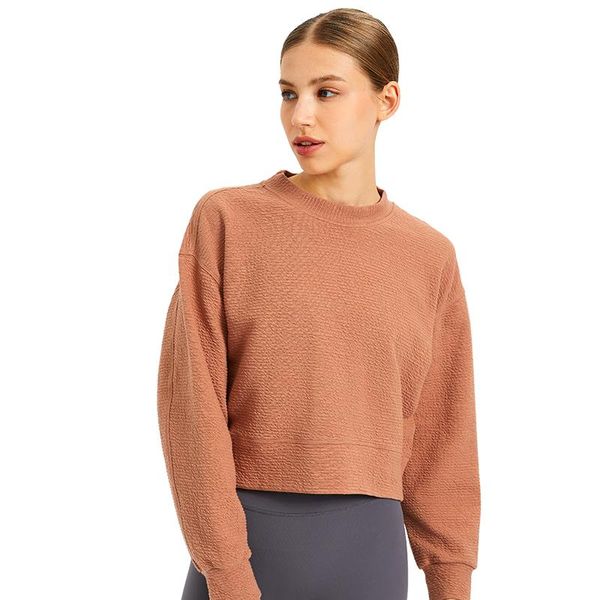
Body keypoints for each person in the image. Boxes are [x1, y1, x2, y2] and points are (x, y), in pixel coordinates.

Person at [157, 8, 480, 600]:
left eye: (326, 92)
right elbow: (192, 411)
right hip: (245, 552)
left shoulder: (428, 255)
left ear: (386, 100)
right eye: (288, 93)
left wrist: (450, 581)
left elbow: (443, 437)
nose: (300, 116)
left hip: (372, 558)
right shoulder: (227, 220)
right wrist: (228, 578)